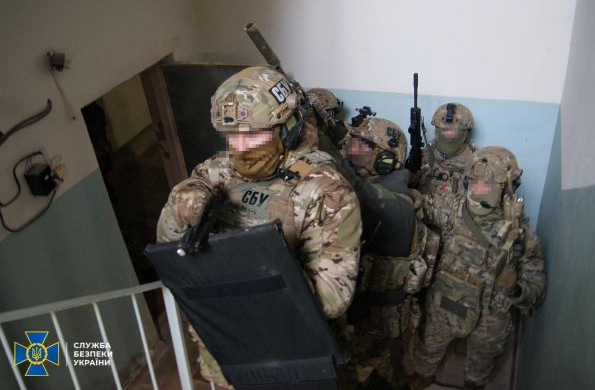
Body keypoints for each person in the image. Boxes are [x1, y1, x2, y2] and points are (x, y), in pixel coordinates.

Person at [156, 66, 362, 388]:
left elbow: (333, 297)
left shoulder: (326, 190)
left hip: (287, 355)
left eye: (253, 135)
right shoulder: (218, 168)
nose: (240, 148)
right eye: (232, 136)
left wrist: (252, 270)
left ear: (287, 129)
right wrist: (181, 203)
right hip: (223, 349)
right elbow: (170, 248)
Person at [404, 146, 546, 390]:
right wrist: (410, 198)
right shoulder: (452, 211)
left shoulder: (520, 236)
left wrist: (514, 288)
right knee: (429, 345)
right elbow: (424, 207)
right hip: (447, 302)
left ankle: (474, 383)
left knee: (482, 361)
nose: (477, 188)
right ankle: (424, 374)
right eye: (473, 180)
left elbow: (536, 291)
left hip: (490, 315)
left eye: (487, 183)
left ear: (507, 188)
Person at [317, 113, 439, 389]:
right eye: (352, 141)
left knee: (379, 372)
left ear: (386, 158)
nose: (351, 149)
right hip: (363, 308)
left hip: (380, 319)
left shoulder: (395, 204)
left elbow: (355, 188)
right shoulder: (381, 188)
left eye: (362, 145)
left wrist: (315, 137)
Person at [419, 102, 477, 202]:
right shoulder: (426, 154)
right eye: (444, 130)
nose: (448, 136)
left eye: (453, 131)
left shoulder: (476, 162)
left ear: (467, 132)